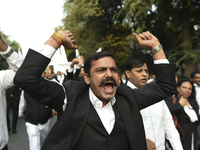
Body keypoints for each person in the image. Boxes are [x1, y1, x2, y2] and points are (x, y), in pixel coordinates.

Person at [14, 30, 176, 150]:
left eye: (113, 70)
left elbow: (164, 87)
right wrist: (56, 39)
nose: (108, 74)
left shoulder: (126, 98)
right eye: (100, 70)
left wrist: (156, 47)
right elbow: (26, 79)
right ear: (87, 78)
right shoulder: (70, 96)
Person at [125, 58, 183, 150]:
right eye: (139, 71)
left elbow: (168, 124)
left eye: (146, 71)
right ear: (128, 73)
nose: (144, 74)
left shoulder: (156, 95)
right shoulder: (122, 98)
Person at [0, 31, 23, 150]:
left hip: (2, 146)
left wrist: (2, 44)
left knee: (13, 114)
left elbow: (23, 71)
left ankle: (12, 128)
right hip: (9, 99)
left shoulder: (1, 78)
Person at [165, 77, 199, 150]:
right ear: (178, 88)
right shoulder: (172, 100)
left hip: (192, 139)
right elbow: (166, 112)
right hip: (178, 140)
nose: (187, 90)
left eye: (189, 88)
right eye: (184, 87)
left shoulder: (193, 102)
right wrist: (180, 104)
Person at [190, 71, 200, 149]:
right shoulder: (191, 89)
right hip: (196, 117)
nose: (199, 79)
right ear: (192, 79)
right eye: (197, 78)